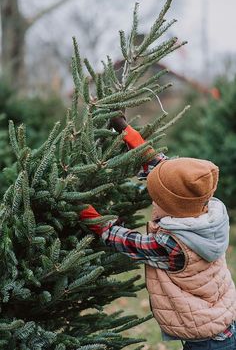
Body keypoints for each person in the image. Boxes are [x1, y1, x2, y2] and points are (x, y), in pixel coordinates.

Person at [79, 115, 236, 350]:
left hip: (208, 340)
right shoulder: (208, 209)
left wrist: (81, 206)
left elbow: (120, 239)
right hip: (222, 318)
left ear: (168, 202)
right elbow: (164, 168)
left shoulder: (172, 244)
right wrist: (127, 132)